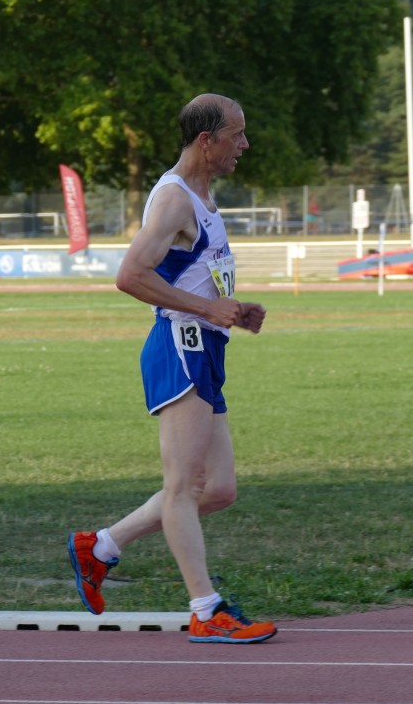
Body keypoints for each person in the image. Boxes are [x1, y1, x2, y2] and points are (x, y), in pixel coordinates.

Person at [67, 94, 276, 644]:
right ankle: (207, 610)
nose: (245, 145)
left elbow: (194, 274)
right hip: (178, 347)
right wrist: (207, 308)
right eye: (237, 134)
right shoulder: (174, 200)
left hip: (208, 347)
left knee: (220, 489)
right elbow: (129, 275)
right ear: (206, 140)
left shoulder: (202, 197)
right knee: (184, 485)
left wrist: (230, 308)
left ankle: (102, 545)